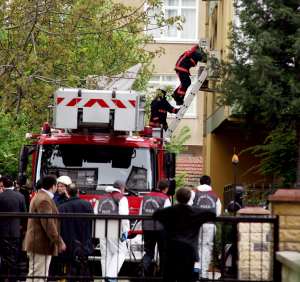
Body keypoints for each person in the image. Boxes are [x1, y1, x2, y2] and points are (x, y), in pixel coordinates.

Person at [153, 187, 216, 282]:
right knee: (186, 277)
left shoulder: (169, 211)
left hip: (171, 248)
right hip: (188, 249)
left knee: (169, 276)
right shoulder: (195, 212)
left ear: (177, 197)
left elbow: (156, 214)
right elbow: (212, 214)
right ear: (189, 198)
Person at [24, 175, 66, 282]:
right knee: (38, 275)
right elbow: (48, 224)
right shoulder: (44, 200)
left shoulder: (40, 196)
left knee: (37, 274)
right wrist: (59, 241)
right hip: (41, 244)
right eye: (56, 185)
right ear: (53, 186)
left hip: (39, 244)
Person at [94, 180, 130, 282]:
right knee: (121, 252)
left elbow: (95, 213)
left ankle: (105, 278)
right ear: (121, 188)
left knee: (106, 255)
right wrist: (125, 230)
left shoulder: (101, 198)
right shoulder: (122, 198)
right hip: (115, 227)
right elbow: (124, 216)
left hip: (101, 228)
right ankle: (110, 276)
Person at [58, 183, 94, 281]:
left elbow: (59, 227)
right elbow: (92, 223)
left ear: (67, 192)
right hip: (84, 242)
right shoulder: (87, 205)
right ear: (78, 192)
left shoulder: (62, 207)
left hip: (68, 244)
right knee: (83, 269)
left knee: (70, 271)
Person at [140, 180, 171, 276]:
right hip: (161, 229)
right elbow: (168, 215)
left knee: (149, 252)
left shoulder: (145, 197)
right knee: (163, 252)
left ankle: (142, 270)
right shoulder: (165, 198)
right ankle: (162, 275)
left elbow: (140, 213)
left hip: (147, 228)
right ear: (166, 189)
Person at [193, 175, 222, 280]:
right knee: (207, 247)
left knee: (196, 246)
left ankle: (195, 271)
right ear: (210, 183)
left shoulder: (193, 193)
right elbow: (218, 213)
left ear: (200, 182)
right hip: (210, 224)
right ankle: (203, 273)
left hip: (196, 224)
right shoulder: (215, 196)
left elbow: (188, 207)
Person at [0, 176, 26, 282]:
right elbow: (24, 213)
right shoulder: (20, 196)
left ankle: (3, 276)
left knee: (3, 255)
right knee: (14, 256)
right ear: (13, 184)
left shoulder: (1, 196)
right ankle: (12, 278)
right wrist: (22, 226)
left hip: (2, 231)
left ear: (3, 185)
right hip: (16, 231)